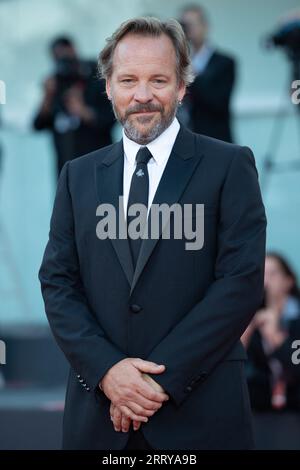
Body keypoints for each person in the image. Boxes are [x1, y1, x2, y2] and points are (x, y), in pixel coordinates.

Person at [39, 17, 266, 450]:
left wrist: (150, 382)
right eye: (128, 80)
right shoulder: (77, 176)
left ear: (182, 86)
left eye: (158, 79)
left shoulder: (229, 165)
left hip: (202, 418)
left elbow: (239, 284)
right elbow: (57, 283)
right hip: (98, 421)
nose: (142, 95)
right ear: (108, 87)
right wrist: (109, 373)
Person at [33, 36, 115, 175]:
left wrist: (83, 111)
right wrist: (47, 96)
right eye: (57, 58)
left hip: (99, 169)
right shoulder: (55, 85)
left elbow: (112, 119)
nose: (63, 62)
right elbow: (38, 125)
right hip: (66, 171)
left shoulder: (96, 77)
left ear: (73, 50)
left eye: (65, 56)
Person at [242, 253, 300, 411]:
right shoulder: (246, 318)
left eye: (272, 273)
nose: (265, 280)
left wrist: (274, 336)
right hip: (258, 411)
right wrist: (248, 327)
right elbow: (231, 369)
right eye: (261, 273)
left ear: (289, 281)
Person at [179, 5, 236, 142]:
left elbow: (219, 103)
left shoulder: (225, 62)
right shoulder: (177, 61)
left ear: (205, 26)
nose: (188, 31)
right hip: (184, 140)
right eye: (184, 26)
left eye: (191, 25)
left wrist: (190, 71)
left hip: (215, 139)